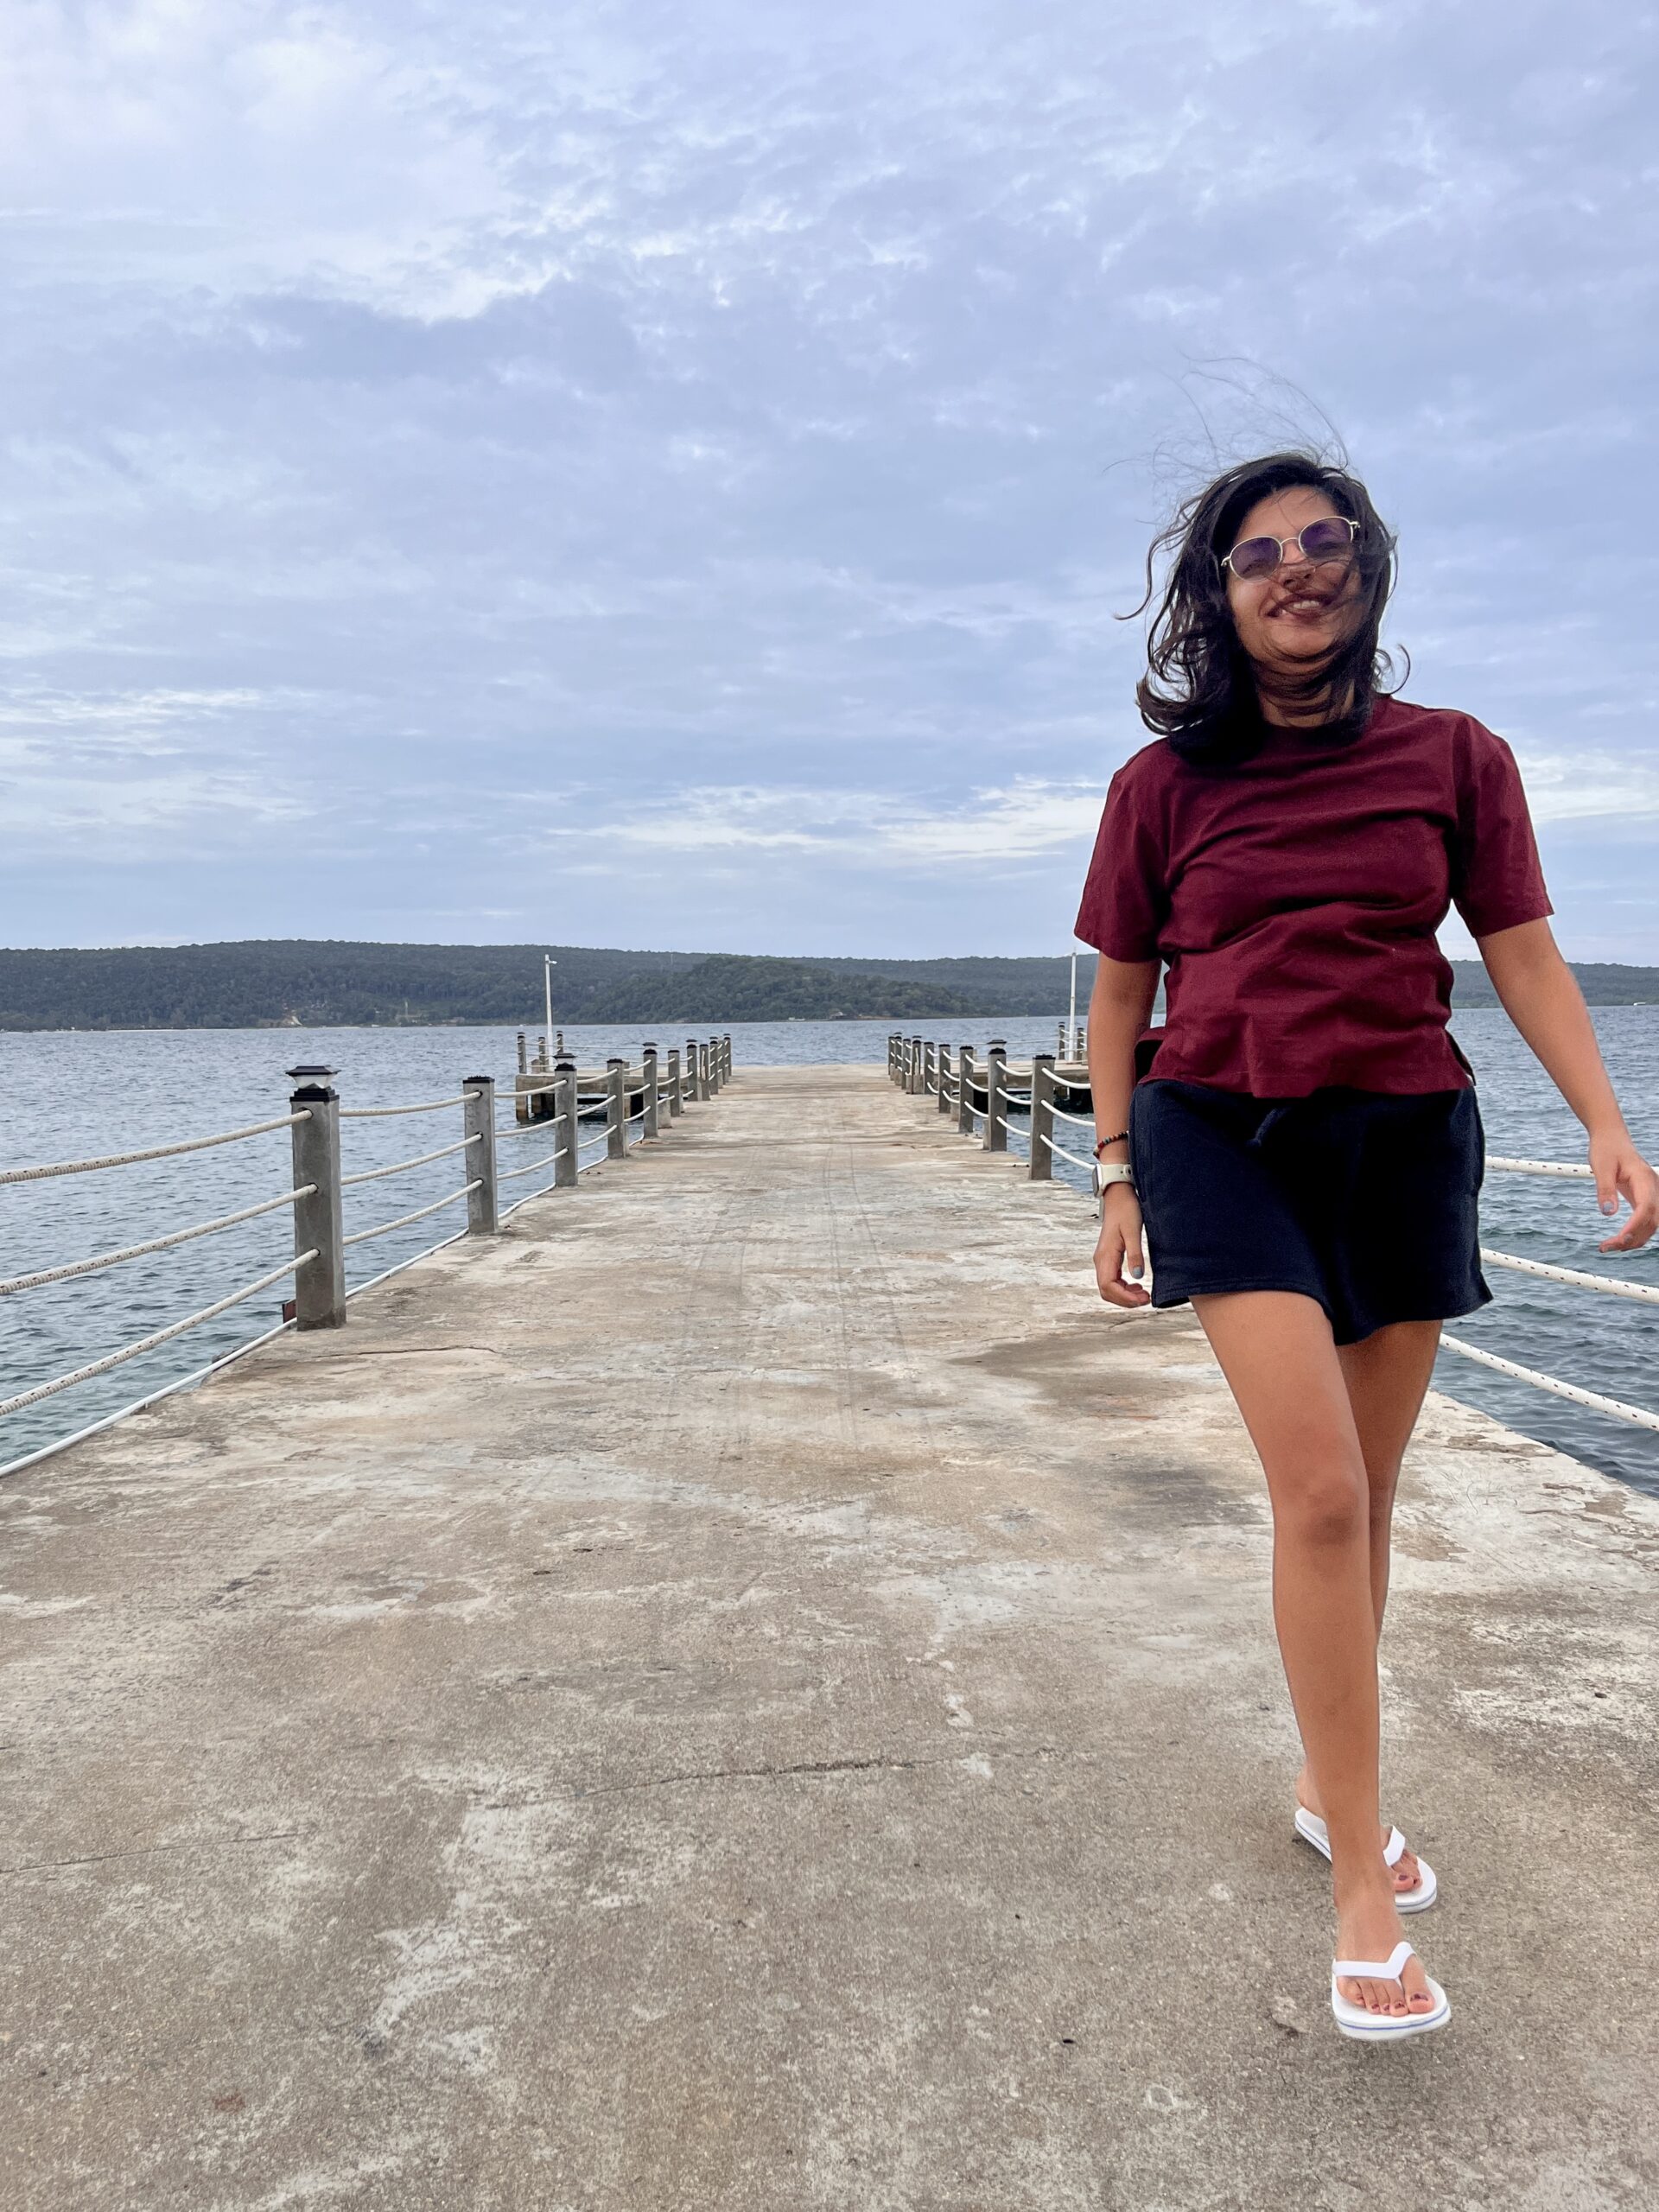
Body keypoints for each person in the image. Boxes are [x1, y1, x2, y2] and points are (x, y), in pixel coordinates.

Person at [1075, 451, 1658, 2042]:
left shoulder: (1458, 758)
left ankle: (1337, 1789)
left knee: (1373, 1500)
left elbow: (1520, 952)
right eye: (1255, 554)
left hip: (1405, 1132)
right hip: (1221, 1131)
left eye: (1322, 541)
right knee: (1320, 1491)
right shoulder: (1164, 790)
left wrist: (1607, 1120)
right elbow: (1122, 997)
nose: (1294, 568)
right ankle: (1357, 1900)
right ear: (1217, 596)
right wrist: (1118, 1174)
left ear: (1366, 566)